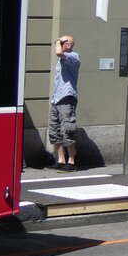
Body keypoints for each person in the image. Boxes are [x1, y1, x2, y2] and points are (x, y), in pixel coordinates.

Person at [49, 35, 80, 170]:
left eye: (61, 42)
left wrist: (57, 43)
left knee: (67, 130)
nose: (58, 44)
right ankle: (61, 160)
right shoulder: (60, 60)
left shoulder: (74, 57)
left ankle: (71, 161)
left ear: (68, 44)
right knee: (55, 131)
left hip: (67, 98)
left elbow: (58, 52)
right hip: (57, 98)